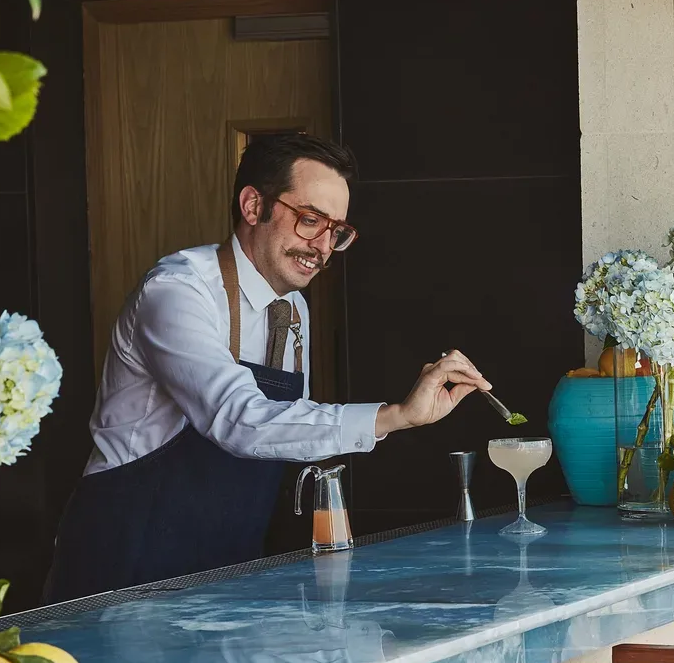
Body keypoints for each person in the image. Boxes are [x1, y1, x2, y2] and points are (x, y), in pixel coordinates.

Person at [46, 133, 490, 602]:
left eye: (335, 231)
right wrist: (396, 415)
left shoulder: (293, 309)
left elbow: (281, 433)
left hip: (225, 572)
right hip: (126, 570)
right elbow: (238, 419)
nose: (321, 246)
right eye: (309, 220)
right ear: (253, 205)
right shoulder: (177, 291)